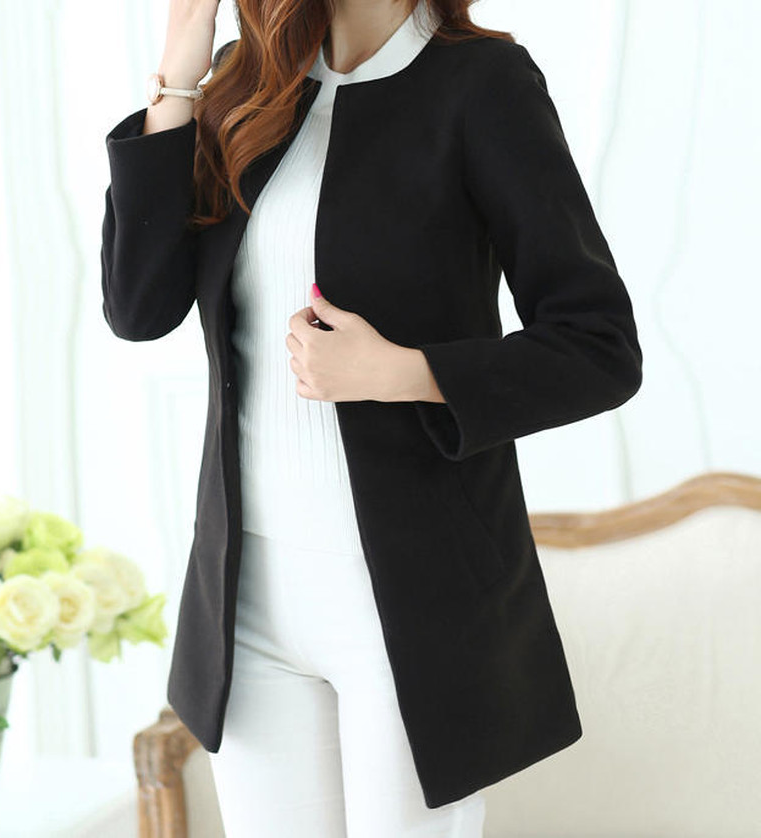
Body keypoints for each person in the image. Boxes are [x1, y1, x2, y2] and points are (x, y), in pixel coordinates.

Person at [100, 0, 643, 834]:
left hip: (413, 599)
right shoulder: (247, 81)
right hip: (247, 597)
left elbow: (600, 347)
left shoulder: (482, 83)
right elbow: (139, 307)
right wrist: (179, 67)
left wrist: (404, 373)